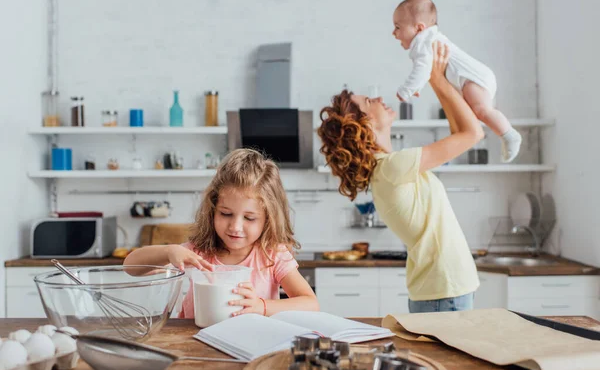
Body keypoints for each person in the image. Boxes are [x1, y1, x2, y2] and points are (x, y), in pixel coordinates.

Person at [317, 42, 480, 313]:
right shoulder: (394, 167)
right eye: (370, 102)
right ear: (365, 125)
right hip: (445, 289)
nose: (380, 99)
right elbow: (473, 134)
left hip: (442, 289)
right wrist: (436, 79)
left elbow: (459, 130)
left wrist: (436, 79)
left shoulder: (389, 169)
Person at [124, 148, 319, 318]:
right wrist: (168, 252)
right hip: (195, 345)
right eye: (226, 214)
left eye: (249, 218)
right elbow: (131, 266)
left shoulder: (272, 254)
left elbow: (311, 304)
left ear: (268, 219)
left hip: (251, 346)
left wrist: (262, 306)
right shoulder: (198, 253)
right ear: (212, 209)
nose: (235, 226)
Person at [393, 0, 521, 163]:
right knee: (473, 114)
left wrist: (406, 90)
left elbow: (423, 69)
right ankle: (506, 134)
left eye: (398, 27)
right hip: (471, 78)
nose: (394, 33)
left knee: (481, 111)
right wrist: (418, 87)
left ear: (419, 28)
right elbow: (428, 70)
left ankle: (510, 135)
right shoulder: (427, 39)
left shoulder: (424, 42)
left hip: (473, 78)